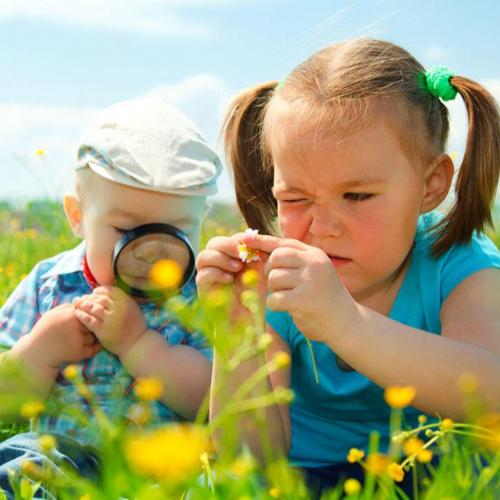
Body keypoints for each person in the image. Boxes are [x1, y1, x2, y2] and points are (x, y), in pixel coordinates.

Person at [196, 38, 500, 495]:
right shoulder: (275, 278)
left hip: (437, 475)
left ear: (431, 185)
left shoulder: (459, 261)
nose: (322, 228)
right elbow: (251, 458)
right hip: (303, 477)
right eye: (294, 199)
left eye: (356, 196)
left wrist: (345, 323)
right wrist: (235, 329)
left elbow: (490, 396)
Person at [0, 95, 221, 497]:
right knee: (21, 460)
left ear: (201, 220)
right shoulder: (49, 283)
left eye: (177, 231)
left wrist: (139, 345)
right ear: (78, 216)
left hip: (163, 471)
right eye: (126, 231)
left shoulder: (202, 296)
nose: (152, 251)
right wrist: (40, 350)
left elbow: (212, 403)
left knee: (214, 482)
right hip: (61, 463)